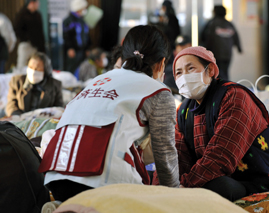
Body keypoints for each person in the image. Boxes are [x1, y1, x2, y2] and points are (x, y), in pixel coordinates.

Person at [39, 25, 180, 202]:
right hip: (101, 180)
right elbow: (165, 156)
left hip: (55, 176)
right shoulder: (158, 91)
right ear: (161, 63)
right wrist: (175, 197)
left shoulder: (98, 80)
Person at [171, 46, 269, 201]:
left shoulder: (234, 96)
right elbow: (177, 156)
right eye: (178, 73)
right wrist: (167, 188)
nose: (184, 77)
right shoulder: (183, 111)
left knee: (219, 187)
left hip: (255, 181)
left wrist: (186, 186)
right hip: (209, 177)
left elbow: (222, 154)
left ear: (210, 70)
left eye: (190, 68)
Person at [5, 52, 63, 116]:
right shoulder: (16, 81)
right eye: (30, 67)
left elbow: (59, 109)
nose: (33, 71)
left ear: (46, 70)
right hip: (20, 121)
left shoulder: (55, 85)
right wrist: (18, 118)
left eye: (37, 68)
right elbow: (11, 105)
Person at [200, 5, 242, 80]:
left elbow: (205, 37)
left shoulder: (211, 24)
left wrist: (204, 50)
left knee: (217, 73)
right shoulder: (229, 24)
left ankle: (222, 89)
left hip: (215, 54)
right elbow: (236, 37)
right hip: (227, 54)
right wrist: (239, 48)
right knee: (225, 72)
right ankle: (227, 87)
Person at [14, 0, 46, 73]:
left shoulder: (38, 15)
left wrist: (42, 47)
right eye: (37, 2)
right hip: (25, 45)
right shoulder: (22, 14)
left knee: (37, 66)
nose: (38, 5)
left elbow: (40, 32)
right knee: (21, 66)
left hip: (36, 46)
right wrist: (26, 39)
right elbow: (17, 29)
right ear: (32, 3)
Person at [63, 0, 91, 74]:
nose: (84, 10)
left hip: (82, 51)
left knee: (81, 70)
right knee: (71, 69)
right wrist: (70, 48)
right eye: (83, 8)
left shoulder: (82, 20)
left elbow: (86, 35)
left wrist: (87, 48)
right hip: (74, 51)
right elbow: (66, 36)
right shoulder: (69, 21)